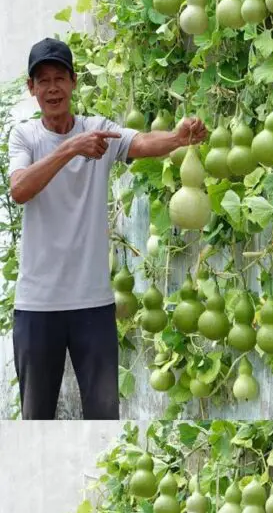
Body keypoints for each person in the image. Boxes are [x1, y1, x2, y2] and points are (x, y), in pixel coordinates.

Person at [8, 37, 208, 420]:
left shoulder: (97, 130)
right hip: (37, 306)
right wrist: (70, 148)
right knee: (37, 417)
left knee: (104, 415)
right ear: (32, 88)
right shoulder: (26, 136)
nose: (52, 88)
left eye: (60, 78)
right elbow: (19, 189)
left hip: (94, 305)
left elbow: (143, 142)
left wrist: (179, 138)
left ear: (73, 82)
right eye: (43, 80)